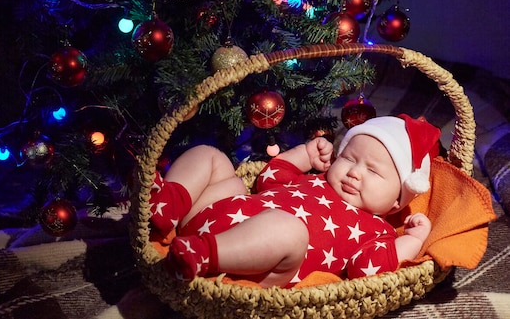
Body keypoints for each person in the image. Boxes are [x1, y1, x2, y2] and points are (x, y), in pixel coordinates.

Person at [148, 114, 442, 288]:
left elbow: (367, 270)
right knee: (211, 157)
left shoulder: (378, 232)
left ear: (396, 203)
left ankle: (203, 255)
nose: (354, 172)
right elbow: (267, 179)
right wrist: (305, 156)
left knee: (290, 230)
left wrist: (412, 240)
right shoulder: (317, 180)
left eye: (374, 171)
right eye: (350, 158)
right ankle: (167, 206)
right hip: (211, 216)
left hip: (253, 265)